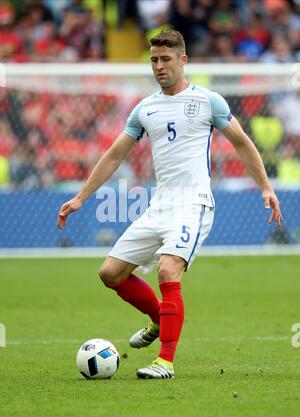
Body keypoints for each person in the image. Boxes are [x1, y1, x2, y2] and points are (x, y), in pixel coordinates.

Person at [57, 30, 283, 379]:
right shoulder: (145, 109)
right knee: (110, 273)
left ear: (182, 60)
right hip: (159, 204)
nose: (158, 66)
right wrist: (80, 197)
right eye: (153, 60)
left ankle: (165, 362)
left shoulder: (208, 101)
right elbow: (116, 154)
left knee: (167, 270)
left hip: (193, 203)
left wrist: (265, 187)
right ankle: (159, 318)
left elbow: (241, 142)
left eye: (165, 59)